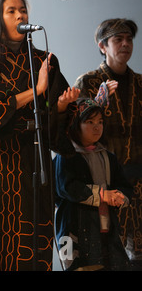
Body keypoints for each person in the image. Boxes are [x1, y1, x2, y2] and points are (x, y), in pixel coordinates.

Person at [0, 0, 78, 271]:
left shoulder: (44, 59)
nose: (20, 16)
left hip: (36, 155)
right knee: (2, 240)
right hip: (2, 159)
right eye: (11, 11)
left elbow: (57, 107)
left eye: (23, 10)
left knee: (36, 236)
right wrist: (37, 91)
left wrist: (62, 107)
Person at [74, 18, 142, 268]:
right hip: (105, 183)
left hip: (140, 181)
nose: (125, 44)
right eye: (118, 39)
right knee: (106, 254)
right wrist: (98, 104)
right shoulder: (88, 82)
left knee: (139, 256)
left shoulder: (140, 83)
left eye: (129, 39)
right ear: (103, 46)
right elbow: (74, 134)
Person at [54, 98, 133, 271]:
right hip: (75, 232)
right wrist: (103, 195)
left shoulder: (107, 156)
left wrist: (120, 196)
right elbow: (66, 187)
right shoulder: (66, 155)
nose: (97, 127)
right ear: (76, 124)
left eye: (100, 122)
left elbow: (125, 186)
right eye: (89, 122)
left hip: (107, 230)